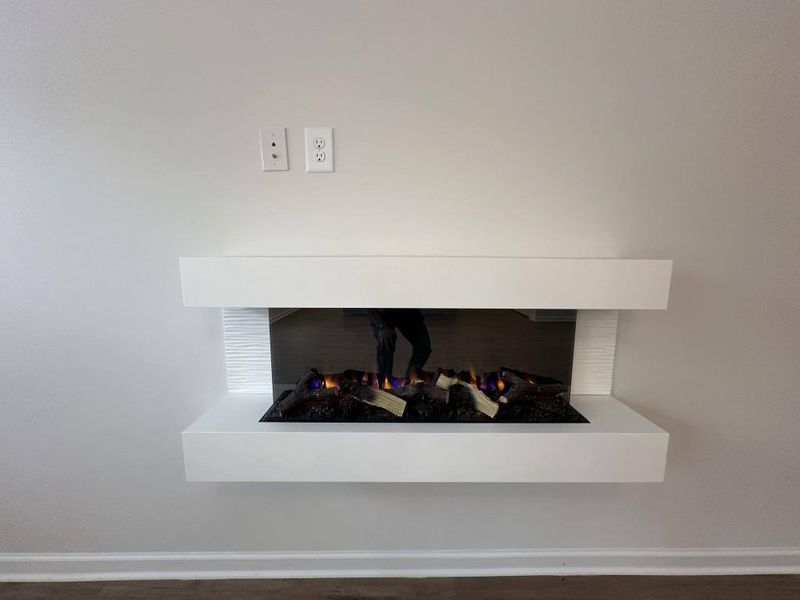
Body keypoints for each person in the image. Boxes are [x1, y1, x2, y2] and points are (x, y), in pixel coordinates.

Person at [368, 309, 432, 386]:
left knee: (423, 347)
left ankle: (409, 381)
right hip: (383, 315)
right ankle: (384, 383)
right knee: (385, 343)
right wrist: (382, 326)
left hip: (408, 312)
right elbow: (370, 307)